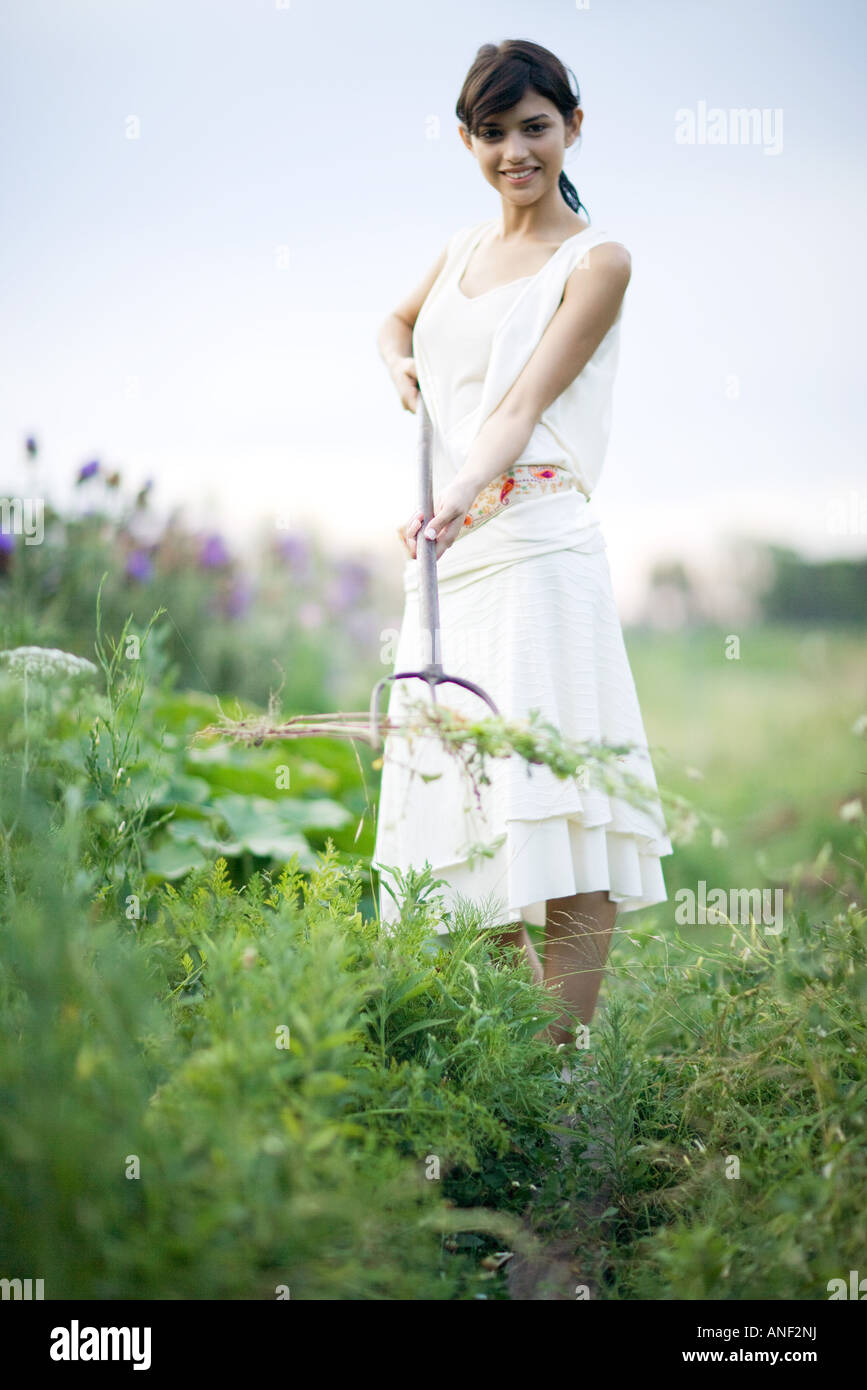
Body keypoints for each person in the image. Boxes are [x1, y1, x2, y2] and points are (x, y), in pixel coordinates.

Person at [371, 39, 673, 1047]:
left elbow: (520, 407)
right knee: (462, 821)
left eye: (534, 126)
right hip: (450, 560)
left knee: (566, 806)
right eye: (493, 132)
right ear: (467, 139)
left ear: (571, 127)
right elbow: (394, 323)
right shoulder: (459, 251)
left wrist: (457, 490)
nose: (515, 150)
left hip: (537, 545)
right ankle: (520, 1072)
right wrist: (401, 368)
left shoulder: (599, 261)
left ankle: (567, 1073)